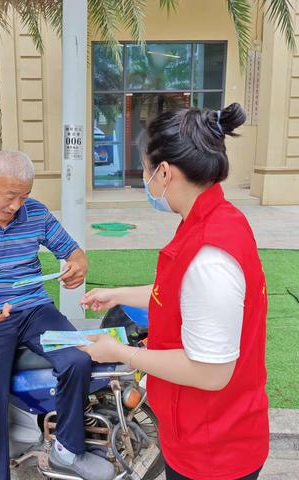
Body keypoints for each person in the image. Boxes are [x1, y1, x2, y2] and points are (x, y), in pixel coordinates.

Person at [80, 104, 269, 480]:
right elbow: (180, 292)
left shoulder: (210, 255)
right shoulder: (212, 220)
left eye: (147, 171)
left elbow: (210, 372)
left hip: (212, 450)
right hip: (202, 433)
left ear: (165, 172)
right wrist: (119, 294)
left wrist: (121, 353)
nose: (146, 181)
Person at [0, 151, 114, 480]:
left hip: (34, 310)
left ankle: (69, 451)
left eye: (24, 195)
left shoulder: (35, 213)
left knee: (78, 358)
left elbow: (72, 250)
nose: (17, 205)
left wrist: (78, 263)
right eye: (10, 195)